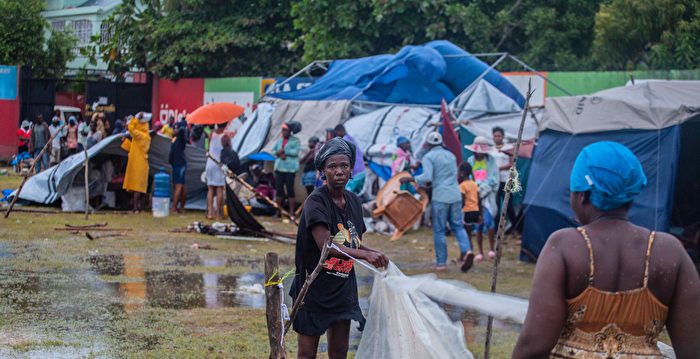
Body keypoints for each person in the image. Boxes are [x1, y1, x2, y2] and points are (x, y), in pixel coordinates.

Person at [513, 141, 700, 358]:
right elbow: (693, 349)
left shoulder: (564, 246)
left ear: (583, 196)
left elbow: (534, 345)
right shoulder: (670, 251)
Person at [291, 137, 389, 359]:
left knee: (339, 352)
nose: (339, 171)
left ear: (351, 169)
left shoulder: (354, 201)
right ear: (323, 172)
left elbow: (352, 241)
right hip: (313, 288)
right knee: (307, 354)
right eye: (332, 166)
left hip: (342, 288)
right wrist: (365, 255)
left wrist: (372, 252)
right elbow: (327, 245)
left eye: (344, 165)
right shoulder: (316, 202)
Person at [400, 132, 474, 272]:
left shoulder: (429, 156)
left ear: (428, 145)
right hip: (455, 195)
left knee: (439, 230)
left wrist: (411, 179)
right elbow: (448, 176)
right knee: (458, 226)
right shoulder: (451, 156)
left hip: (440, 196)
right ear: (441, 143)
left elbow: (428, 176)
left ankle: (441, 263)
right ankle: (467, 251)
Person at [465, 136, 499, 262]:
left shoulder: (491, 162)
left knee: (489, 221)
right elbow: (469, 177)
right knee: (477, 223)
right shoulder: (470, 160)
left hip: (488, 196)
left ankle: (491, 248)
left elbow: (494, 180)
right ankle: (480, 251)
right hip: (475, 195)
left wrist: (484, 188)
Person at [121, 113, 151, 213]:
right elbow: (133, 148)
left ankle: (136, 208)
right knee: (140, 187)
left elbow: (130, 128)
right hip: (138, 162)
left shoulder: (141, 136)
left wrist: (135, 119)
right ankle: (140, 207)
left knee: (137, 187)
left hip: (138, 163)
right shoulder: (143, 136)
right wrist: (125, 141)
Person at [491, 126, 518, 237]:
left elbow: (512, 164)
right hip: (495, 181)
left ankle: (516, 229)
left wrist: (499, 169)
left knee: (508, 206)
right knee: (496, 206)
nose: (497, 138)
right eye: (495, 136)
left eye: (499, 136)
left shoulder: (507, 148)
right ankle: (497, 231)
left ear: (502, 137)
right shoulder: (491, 149)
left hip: (505, 180)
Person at [272, 122, 301, 217]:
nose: (284, 132)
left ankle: (292, 212)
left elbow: (296, 151)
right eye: (283, 130)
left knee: (290, 190)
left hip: (290, 169)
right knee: (279, 190)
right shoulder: (279, 140)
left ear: (290, 131)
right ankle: (278, 211)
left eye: (286, 130)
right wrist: (278, 153)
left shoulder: (296, 140)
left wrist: (285, 151)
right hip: (279, 168)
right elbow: (273, 151)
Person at [205, 123, 226, 220]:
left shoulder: (210, 135)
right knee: (219, 189)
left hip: (210, 163)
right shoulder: (224, 137)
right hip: (219, 164)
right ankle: (218, 214)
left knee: (210, 189)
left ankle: (210, 213)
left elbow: (209, 148)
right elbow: (229, 150)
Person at [169, 120, 189, 213]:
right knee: (182, 186)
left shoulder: (181, 138)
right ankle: (181, 207)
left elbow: (181, 131)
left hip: (179, 164)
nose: (174, 129)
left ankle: (174, 207)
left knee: (179, 186)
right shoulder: (175, 138)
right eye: (174, 128)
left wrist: (182, 125)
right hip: (177, 163)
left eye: (175, 128)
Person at [458, 162, 481, 236]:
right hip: (475, 210)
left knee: (467, 235)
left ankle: (469, 247)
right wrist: (480, 213)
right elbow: (479, 199)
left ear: (462, 173)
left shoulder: (462, 185)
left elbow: (463, 201)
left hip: (467, 211)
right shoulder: (474, 184)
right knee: (476, 232)